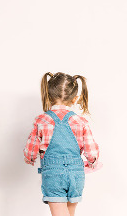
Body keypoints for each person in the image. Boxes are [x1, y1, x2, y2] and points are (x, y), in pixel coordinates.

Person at [24, 72, 100, 216]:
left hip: (53, 174)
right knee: (70, 212)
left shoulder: (42, 120)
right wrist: (92, 162)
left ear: (48, 95)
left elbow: (31, 148)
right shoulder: (80, 122)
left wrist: (30, 158)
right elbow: (91, 150)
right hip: (76, 174)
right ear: (75, 99)